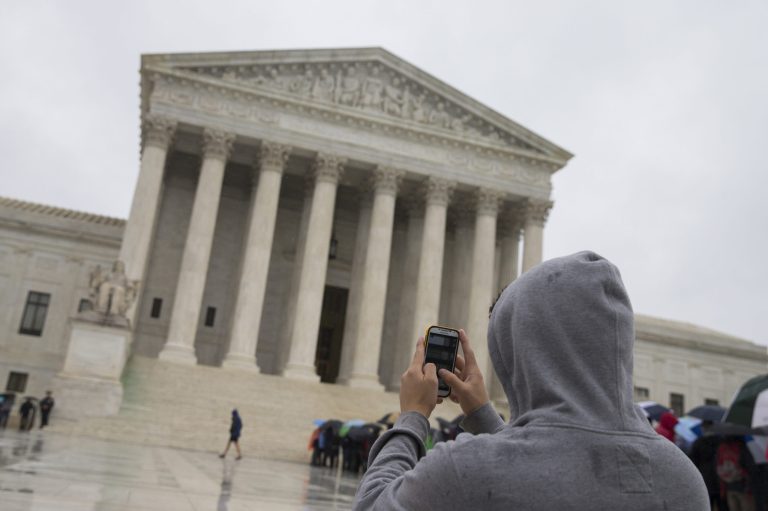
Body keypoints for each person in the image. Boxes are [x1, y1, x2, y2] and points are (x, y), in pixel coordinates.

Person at [354, 251, 709, 510]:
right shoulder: (683, 480)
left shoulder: (464, 470)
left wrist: (413, 415)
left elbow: (372, 504)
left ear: (519, 352)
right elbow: (549, 467)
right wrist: (481, 414)